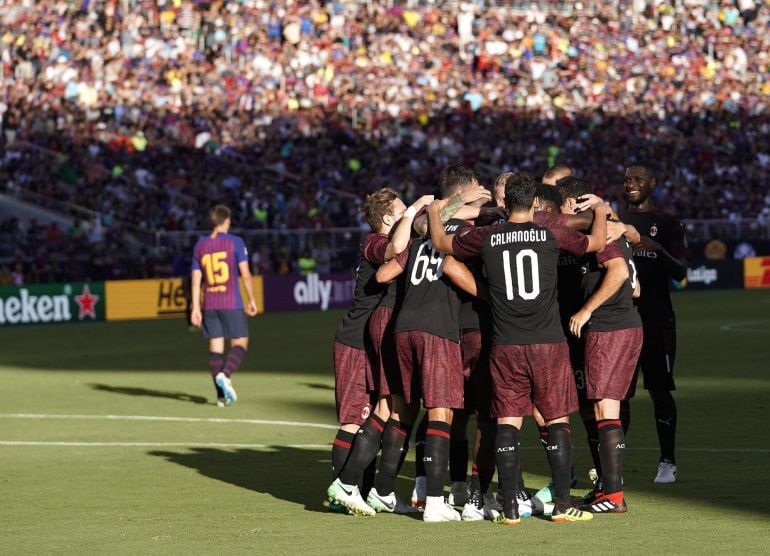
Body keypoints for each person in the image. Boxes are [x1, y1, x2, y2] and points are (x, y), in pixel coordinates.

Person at [429, 171, 610, 525]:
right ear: (536, 204)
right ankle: (561, 505)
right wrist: (601, 210)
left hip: (505, 342)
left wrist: (437, 212)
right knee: (557, 417)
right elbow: (596, 243)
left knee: (508, 420)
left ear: (507, 202)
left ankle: (510, 506)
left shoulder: (488, 235)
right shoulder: (549, 232)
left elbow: (442, 246)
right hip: (547, 341)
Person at [326, 188, 431, 516]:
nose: (406, 214)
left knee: (377, 414)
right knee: (353, 420)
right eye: (400, 210)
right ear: (387, 218)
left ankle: (364, 489)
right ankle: (342, 489)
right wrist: (415, 209)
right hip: (356, 341)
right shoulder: (373, 241)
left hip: (375, 340)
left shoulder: (394, 239)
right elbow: (396, 247)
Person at [621, 165, 691, 483]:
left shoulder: (668, 224)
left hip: (657, 321)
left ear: (652, 182)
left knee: (660, 393)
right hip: (621, 322)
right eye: (627, 180)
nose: (631, 184)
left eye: (637, 179)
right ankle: (613, 463)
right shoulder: (613, 224)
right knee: (618, 395)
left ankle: (667, 461)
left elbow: (680, 272)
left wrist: (657, 249)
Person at [190, 205, 259, 407]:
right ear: (226, 221)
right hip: (230, 301)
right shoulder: (235, 242)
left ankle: (221, 397)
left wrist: (195, 307)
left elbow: (196, 280)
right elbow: (245, 274)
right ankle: (225, 375)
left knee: (216, 349)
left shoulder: (200, 246)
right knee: (240, 343)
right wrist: (252, 299)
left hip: (210, 302)